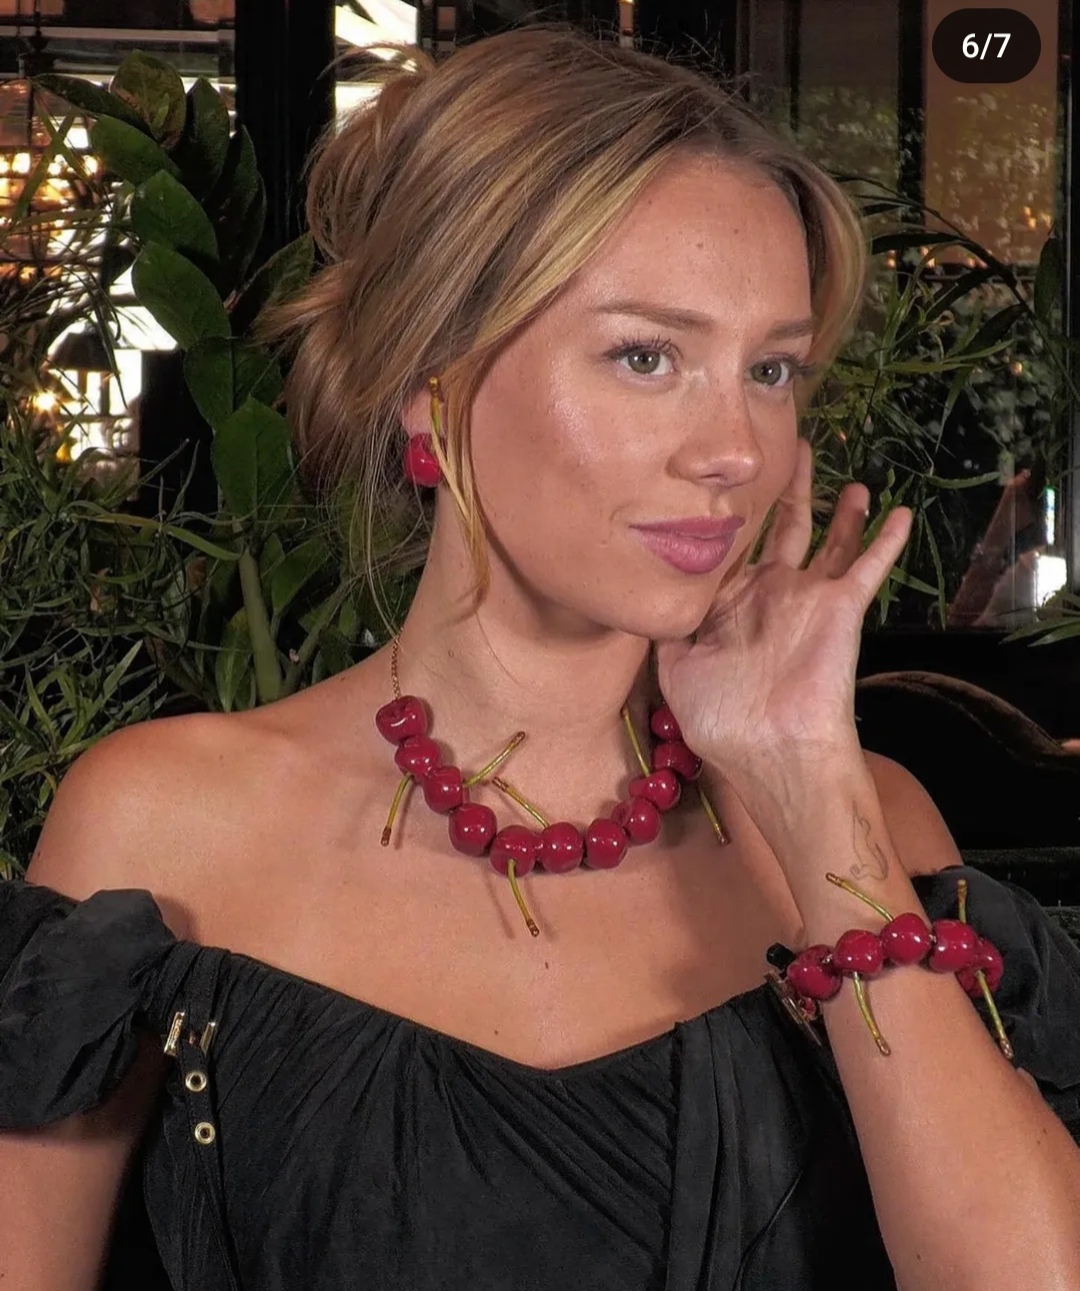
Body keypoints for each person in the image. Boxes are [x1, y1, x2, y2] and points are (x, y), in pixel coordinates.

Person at [3, 23, 1080, 1291]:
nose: (737, 449)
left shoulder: (869, 831)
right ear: (430, 378)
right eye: (646, 356)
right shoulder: (168, 826)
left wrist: (808, 785)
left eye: (772, 368)